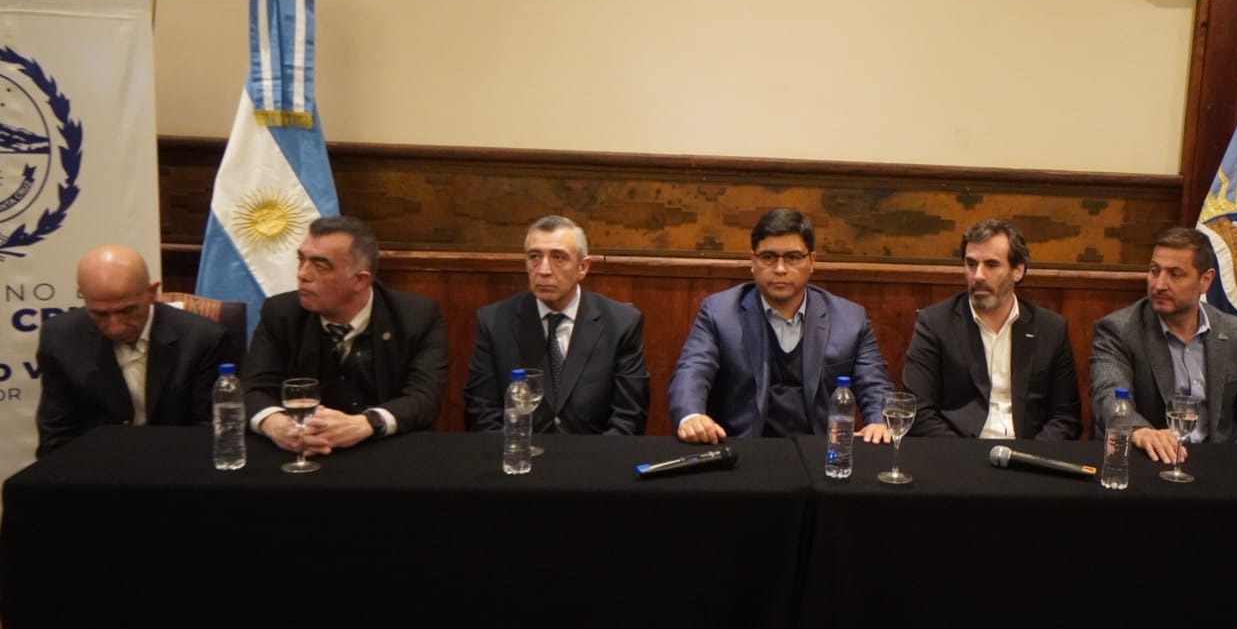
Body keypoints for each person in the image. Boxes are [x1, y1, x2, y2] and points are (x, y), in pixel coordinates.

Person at [669, 208, 894, 443]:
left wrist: (879, 422)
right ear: (753, 261)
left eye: (793, 257)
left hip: (822, 450)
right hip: (742, 448)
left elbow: (874, 384)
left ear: (812, 261)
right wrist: (691, 416)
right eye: (768, 257)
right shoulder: (719, 312)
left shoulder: (849, 319)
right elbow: (692, 370)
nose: (780, 269)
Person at [245, 216, 448, 456]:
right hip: (302, 449)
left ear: (360, 280)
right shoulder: (281, 313)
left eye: (320, 265)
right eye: (301, 259)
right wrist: (277, 425)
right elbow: (252, 389)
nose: (302, 274)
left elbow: (424, 398)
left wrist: (366, 423)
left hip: (388, 452)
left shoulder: (416, 316)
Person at [1089, 226, 1237, 460]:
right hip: (1154, 459)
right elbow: (1108, 397)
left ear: (1205, 281)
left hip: (1220, 462)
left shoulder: (1235, 333)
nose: (1159, 284)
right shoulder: (1119, 330)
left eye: (1175, 274)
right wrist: (1139, 430)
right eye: (1154, 271)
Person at [34, 245, 226, 456]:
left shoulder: (201, 338)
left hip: (177, 459)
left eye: (127, 310)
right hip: (95, 463)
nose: (115, 328)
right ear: (82, 296)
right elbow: (55, 435)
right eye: (100, 314)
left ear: (152, 292)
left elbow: (208, 432)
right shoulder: (60, 337)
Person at [463, 215, 649, 433]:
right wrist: (516, 451)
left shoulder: (621, 323)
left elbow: (629, 417)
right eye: (534, 257)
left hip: (595, 452)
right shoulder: (494, 322)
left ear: (583, 267)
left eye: (558, 258)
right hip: (518, 451)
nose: (544, 270)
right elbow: (482, 413)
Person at [902, 218, 1081, 440]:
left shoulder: (1051, 329)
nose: (978, 275)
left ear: (1017, 271)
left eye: (991, 265)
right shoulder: (935, 323)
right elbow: (919, 411)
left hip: (1028, 451)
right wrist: (966, 455)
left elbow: (1066, 417)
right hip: (959, 450)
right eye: (971, 264)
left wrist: (1030, 455)